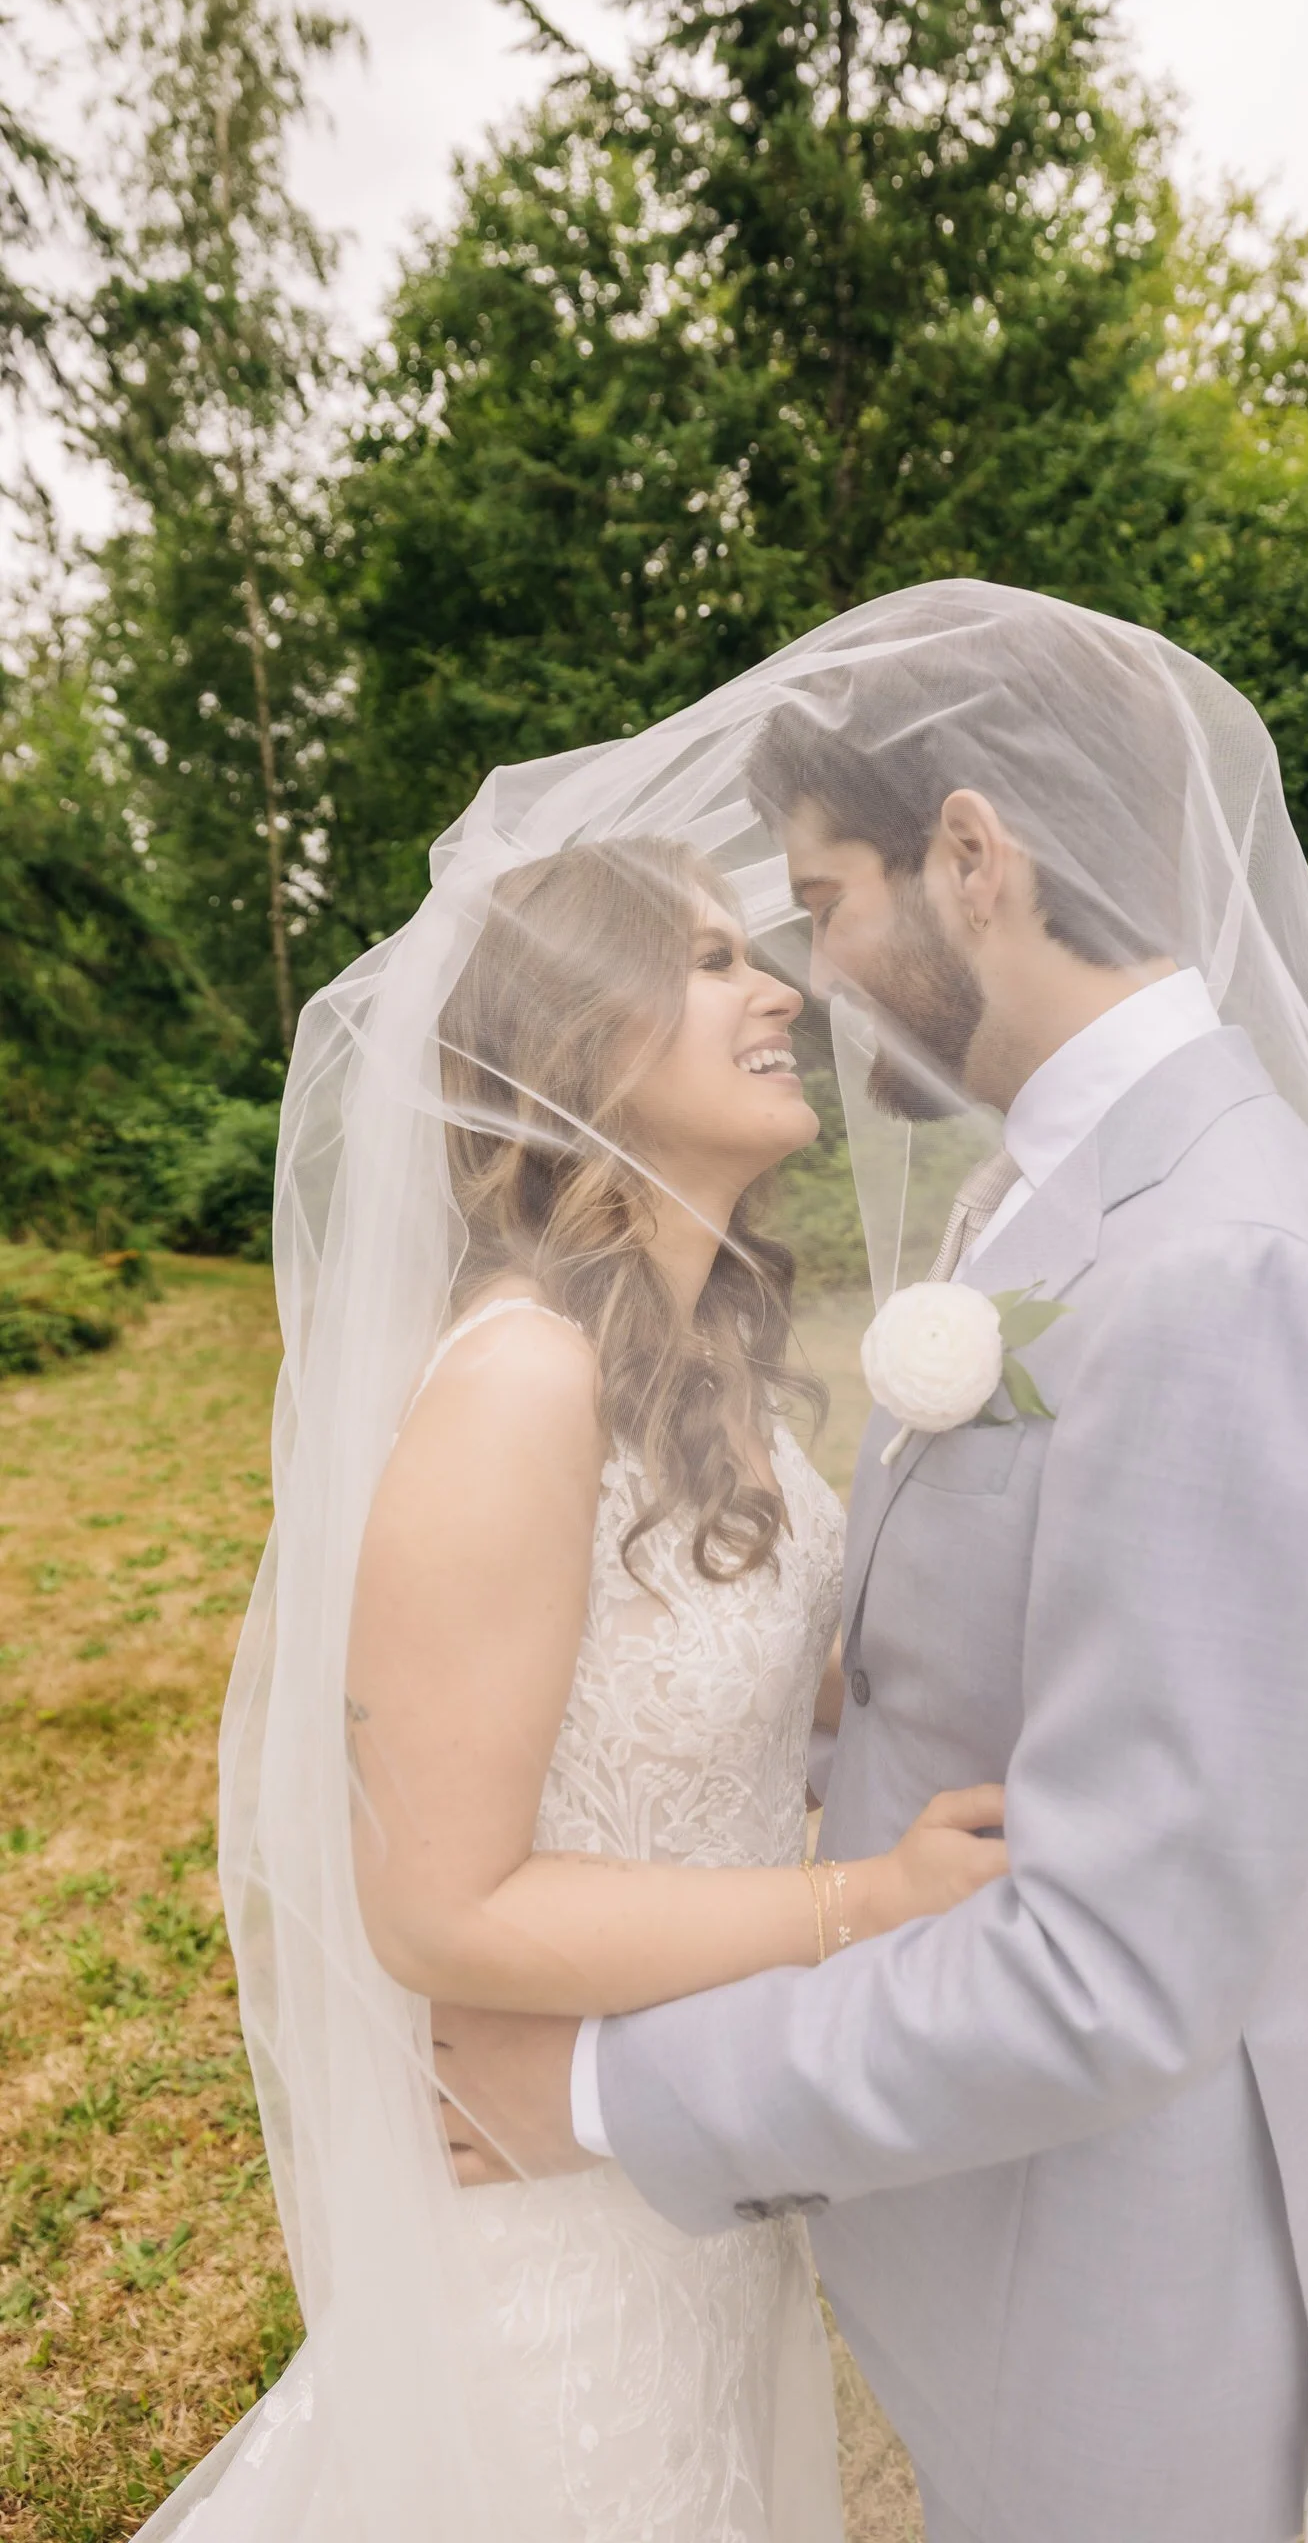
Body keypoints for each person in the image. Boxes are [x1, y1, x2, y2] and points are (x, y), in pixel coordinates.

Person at [435, 585, 1308, 2543]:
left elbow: (1114, 1973)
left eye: (824, 899)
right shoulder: (1060, 1195)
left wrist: (606, 2094)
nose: (813, 974)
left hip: (1126, 2303)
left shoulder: (1227, 1264)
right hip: (990, 2234)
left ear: (974, 857)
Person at [133, 836, 1006, 2540]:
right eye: (710, 960)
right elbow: (440, 1908)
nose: (779, 991)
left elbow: (740, 1689)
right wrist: (860, 1904)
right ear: (579, 1041)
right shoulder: (522, 1380)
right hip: (550, 2219)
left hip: (679, 2152)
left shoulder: (697, 1360)